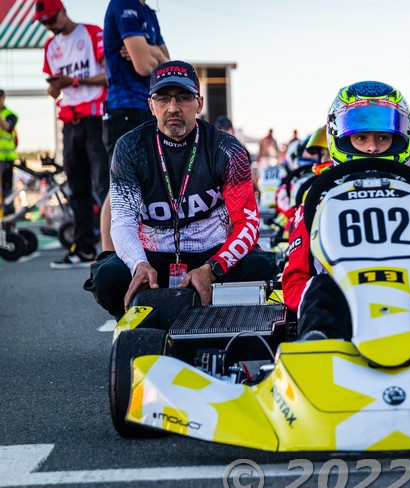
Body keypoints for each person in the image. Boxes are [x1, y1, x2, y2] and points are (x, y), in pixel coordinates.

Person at [88, 61, 278, 319]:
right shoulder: (129, 148)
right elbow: (122, 223)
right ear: (151, 105)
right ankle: (143, 325)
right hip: (152, 257)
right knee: (108, 277)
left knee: (260, 266)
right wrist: (138, 264)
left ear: (199, 103)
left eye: (184, 98)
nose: (173, 107)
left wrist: (213, 268)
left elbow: (247, 223)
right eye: (163, 98)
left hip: (212, 254)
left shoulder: (228, 149)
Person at [282, 81, 410, 340]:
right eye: (360, 138)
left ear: (400, 138)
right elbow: (296, 278)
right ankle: (318, 341)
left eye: (382, 137)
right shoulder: (317, 201)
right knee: (320, 288)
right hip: (341, 298)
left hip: (407, 292)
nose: (372, 148)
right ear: (341, 137)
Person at [35, 0, 110, 268]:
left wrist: (75, 81)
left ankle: (113, 250)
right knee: (76, 187)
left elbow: (109, 75)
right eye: (44, 23)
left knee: (105, 185)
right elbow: (55, 88)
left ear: (63, 11)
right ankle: (84, 248)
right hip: (69, 121)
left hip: (95, 117)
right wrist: (55, 89)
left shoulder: (92, 33)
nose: (49, 26)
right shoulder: (50, 47)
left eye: (51, 20)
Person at [101, 0, 169, 252]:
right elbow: (143, 67)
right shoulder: (122, 4)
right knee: (119, 185)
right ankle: (108, 255)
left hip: (147, 107)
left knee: (148, 181)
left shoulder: (149, 12)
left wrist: (151, 50)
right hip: (124, 109)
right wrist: (155, 57)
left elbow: (167, 67)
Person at [0, 89, 18, 214]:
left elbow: (6, 127)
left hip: (6, 160)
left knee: (7, 191)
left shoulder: (10, 115)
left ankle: (9, 218)